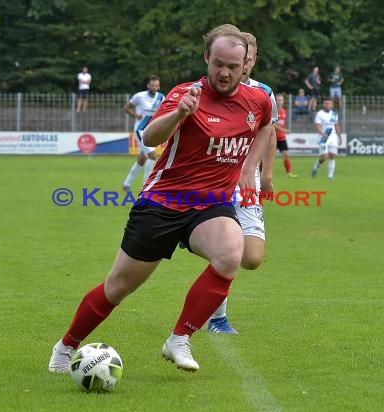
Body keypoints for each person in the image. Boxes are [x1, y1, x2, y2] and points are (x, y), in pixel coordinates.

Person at [48, 24, 273, 373]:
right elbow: (150, 136)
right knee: (118, 287)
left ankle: (179, 338)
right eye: (218, 64)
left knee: (231, 253)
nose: (224, 72)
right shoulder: (186, 94)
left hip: (211, 206)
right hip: (163, 204)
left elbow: (265, 126)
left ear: (246, 65)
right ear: (206, 59)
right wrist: (181, 113)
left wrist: (249, 167)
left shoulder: (257, 100)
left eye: (232, 65)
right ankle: (66, 346)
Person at [206, 31, 277, 335]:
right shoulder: (215, 91)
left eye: (250, 57)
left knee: (252, 258)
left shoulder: (263, 93)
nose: (246, 62)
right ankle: (218, 318)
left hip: (250, 182)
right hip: (217, 179)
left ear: (252, 59)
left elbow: (269, 132)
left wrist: (267, 173)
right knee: (229, 248)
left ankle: (204, 242)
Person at [121, 75, 165, 191]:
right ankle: (146, 187)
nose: (154, 87)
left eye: (156, 85)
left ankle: (126, 184)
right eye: (152, 85)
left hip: (151, 131)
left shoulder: (161, 97)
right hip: (140, 130)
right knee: (153, 155)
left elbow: (164, 112)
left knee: (142, 159)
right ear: (148, 85)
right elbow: (126, 108)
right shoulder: (139, 96)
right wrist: (136, 115)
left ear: (159, 86)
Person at [311, 98, 342, 180]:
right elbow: (317, 125)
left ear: (332, 105)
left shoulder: (334, 114)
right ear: (323, 105)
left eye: (329, 104)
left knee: (332, 155)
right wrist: (323, 134)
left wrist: (339, 137)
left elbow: (336, 125)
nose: (328, 105)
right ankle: (316, 168)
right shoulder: (320, 114)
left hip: (333, 137)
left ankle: (330, 176)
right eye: (326, 104)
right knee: (324, 156)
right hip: (323, 137)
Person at [275, 93, 298, 178]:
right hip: (272, 138)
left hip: (281, 138)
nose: (279, 101)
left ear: (283, 101)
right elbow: (272, 124)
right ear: (275, 100)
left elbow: (281, 124)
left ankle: (289, 173)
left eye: (281, 100)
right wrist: (284, 130)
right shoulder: (272, 110)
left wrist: (283, 131)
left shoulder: (284, 111)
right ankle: (261, 173)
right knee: (267, 158)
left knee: (286, 155)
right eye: (278, 100)